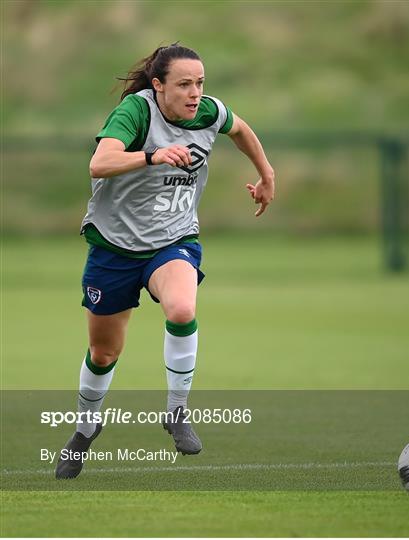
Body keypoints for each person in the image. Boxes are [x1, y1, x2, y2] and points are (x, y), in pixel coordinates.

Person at [55, 42, 275, 479]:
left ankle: (176, 412)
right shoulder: (136, 114)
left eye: (200, 83)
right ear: (158, 86)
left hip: (172, 240)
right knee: (103, 352)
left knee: (181, 307)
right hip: (114, 248)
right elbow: (99, 164)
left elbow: (241, 130)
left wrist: (267, 174)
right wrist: (152, 155)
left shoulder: (208, 112)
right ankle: (85, 428)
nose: (195, 93)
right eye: (183, 84)